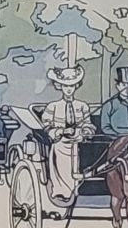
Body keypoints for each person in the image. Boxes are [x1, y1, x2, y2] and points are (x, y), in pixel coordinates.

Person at [38, 63, 95, 205]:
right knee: (58, 151)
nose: (69, 89)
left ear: (76, 86)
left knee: (88, 152)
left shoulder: (82, 106)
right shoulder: (53, 107)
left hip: (80, 141)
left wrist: (86, 130)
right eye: (65, 86)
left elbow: (88, 123)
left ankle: (83, 188)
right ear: (60, 87)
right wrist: (62, 131)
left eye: (71, 86)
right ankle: (62, 191)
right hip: (61, 143)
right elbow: (46, 126)